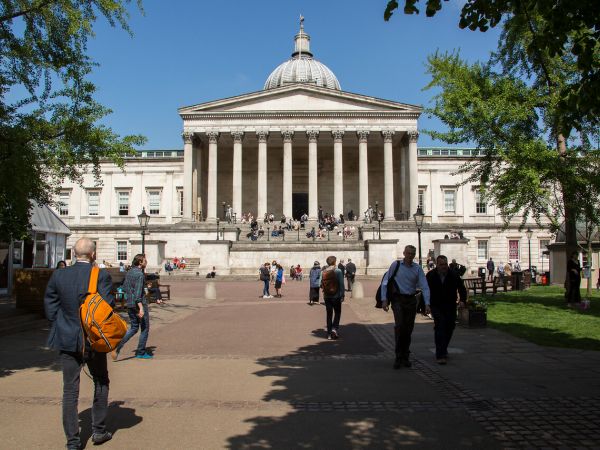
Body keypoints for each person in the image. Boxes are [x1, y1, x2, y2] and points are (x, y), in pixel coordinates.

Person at [43, 237, 114, 448]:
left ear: (74, 254)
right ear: (93, 254)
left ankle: (73, 442)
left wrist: (60, 324)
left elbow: (50, 303)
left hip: (67, 338)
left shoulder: (60, 274)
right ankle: (98, 431)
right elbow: (107, 308)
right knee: (100, 381)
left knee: (69, 390)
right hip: (92, 338)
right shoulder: (100, 275)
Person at [381, 245, 431, 369]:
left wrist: (427, 303)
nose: (410, 256)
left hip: (411, 300)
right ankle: (398, 356)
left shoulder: (417, 269)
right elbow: (385, 282)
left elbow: (424, 286)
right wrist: (384, 299)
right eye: (408, 253)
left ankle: (405, 355)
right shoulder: (396, 265)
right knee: (400, 326)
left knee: (408, 329)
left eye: (412, 254)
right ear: (404, 253)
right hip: (398, 299)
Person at [426, 255, 467, 365]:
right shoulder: (431, 275)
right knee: (440, 326)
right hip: (436, 305)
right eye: (441, 265)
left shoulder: (453, 274)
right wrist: (426, 305)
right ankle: (440, 354)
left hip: (450, 305)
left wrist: (463, 300)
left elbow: (462, 288)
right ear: (437, 264)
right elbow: (426, 290)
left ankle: (443, 347)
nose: (444, 267)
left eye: (445, 264)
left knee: (450, 327)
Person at [113, 253, 152, 360]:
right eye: (145, 260)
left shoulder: (129, 272)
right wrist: (141, 308)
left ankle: (117, 347)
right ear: (140, 262)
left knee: (134, 328)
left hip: (129, 303)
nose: (146, 262)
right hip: (138, 304)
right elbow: (138, 293)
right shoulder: (139, 274)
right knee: (145, 328)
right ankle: (141, 351)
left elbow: (124, 287)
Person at [321, 255, 345, 339]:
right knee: (337, 313)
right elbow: (341, 284)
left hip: (327, 296)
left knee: (329, 314)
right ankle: (334, 329)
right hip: (336, 296)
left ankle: (328, 333)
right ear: (334, 262)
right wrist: (342, 295)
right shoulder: (338, 271)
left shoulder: (324, 271)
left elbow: (321, 284)